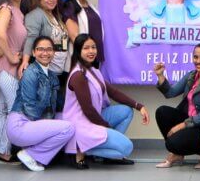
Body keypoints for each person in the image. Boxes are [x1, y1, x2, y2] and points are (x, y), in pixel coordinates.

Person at [61, 34, 149, 167]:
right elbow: (88, 110)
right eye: (86, 48)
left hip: (93, 118)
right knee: (127, 148)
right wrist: (107, 127)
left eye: (93, 47)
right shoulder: (78, 75)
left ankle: (103, 153)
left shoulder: (92, 70)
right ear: (78, 51)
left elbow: (113, 92)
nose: (91, 51)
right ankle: (82, 149)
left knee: (126, 111)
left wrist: (139, 106)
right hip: (82, 124)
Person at [6, 36, 75, 171]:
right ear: (33, 52)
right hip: (20, 124)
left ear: (54, 52)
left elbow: (59, 103)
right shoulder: (30, 73)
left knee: (71, 120)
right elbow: (30, 109)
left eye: (49, 49)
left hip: (34, 123)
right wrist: (49, 125)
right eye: (40, 49)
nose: (45, 53)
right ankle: (30, 154)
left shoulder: (52, 76)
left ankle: (38, 152)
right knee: (68, 128)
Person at [153, 43, 200, 169]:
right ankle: (178, 154)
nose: (198, 61)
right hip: (190, 121)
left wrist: (181, 126)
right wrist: (160, 75)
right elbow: (170, 93)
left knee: (172, 143)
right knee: (162, 112)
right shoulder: (192, 75)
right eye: (195, 57)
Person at [0, 0, 29, 164]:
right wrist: (10, 55)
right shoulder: (6, 8)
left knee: (2, 108)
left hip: (12, 67)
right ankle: (18, 148)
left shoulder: (20, 12)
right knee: (15, 106)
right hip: (6, 66)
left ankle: (2, 150)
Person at [21, 0, 70, 109]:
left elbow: (60, 43)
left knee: (58, 108)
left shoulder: (56, 16)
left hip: (59, 72)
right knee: (47, 109)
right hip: (46, 73)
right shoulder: (36, 15)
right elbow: (31, 38)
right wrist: (25, 61)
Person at [63, 0, 105, 64]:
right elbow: (75, 37)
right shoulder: (70, 7)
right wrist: (87, 54)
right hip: (81, 60)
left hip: (94, 58)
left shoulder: (92, 7)